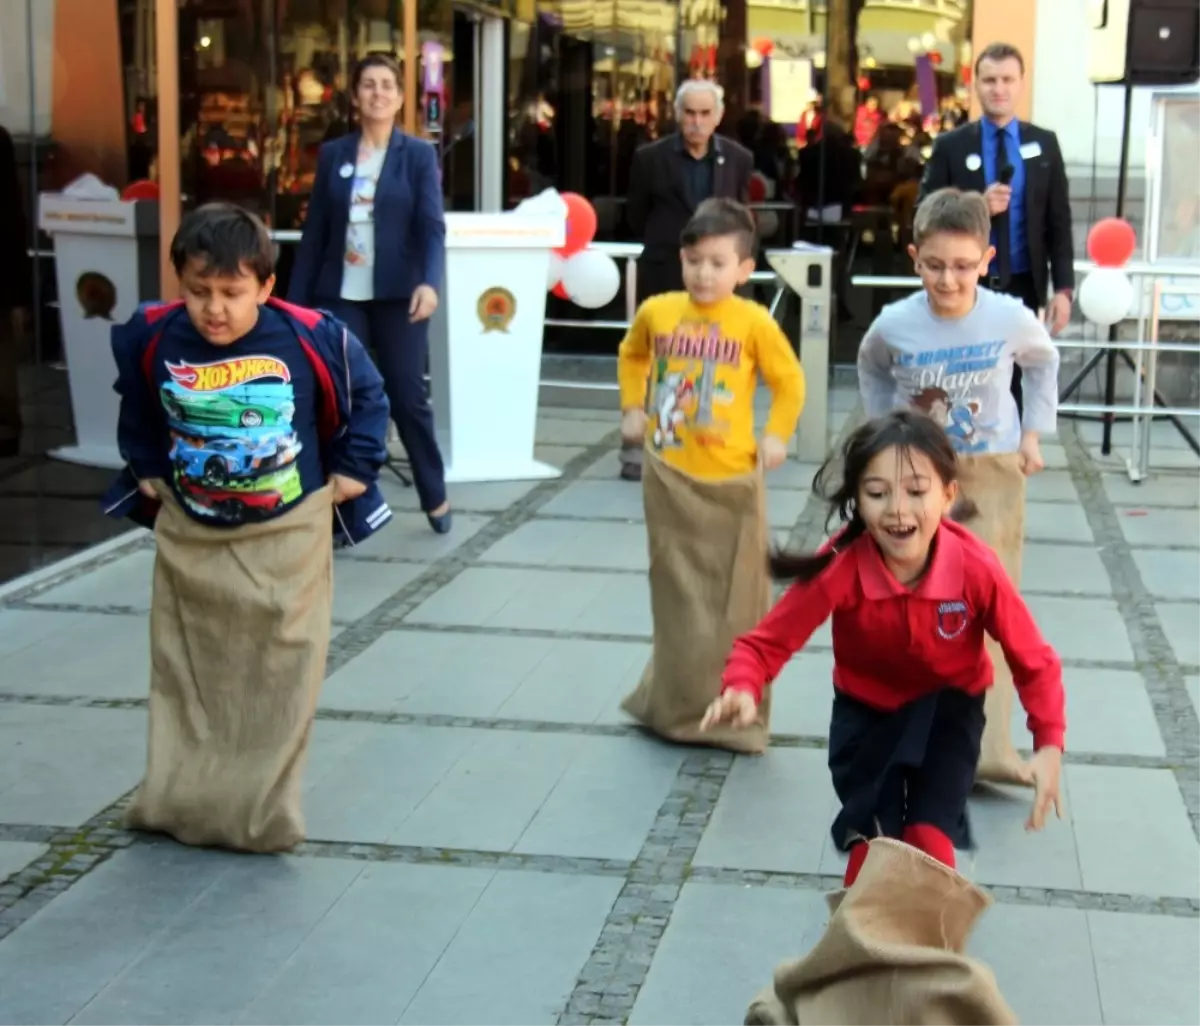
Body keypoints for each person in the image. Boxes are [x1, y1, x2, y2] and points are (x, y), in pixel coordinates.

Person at [101, 202, 392, 853]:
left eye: (232, 293)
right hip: (192, 538)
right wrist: (144, 463)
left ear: (266, 285)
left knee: (280, 672)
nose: (214, 309)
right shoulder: (152, 336)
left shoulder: (314, 337)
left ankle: (260, 812)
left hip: (287, 535)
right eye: (198, 291)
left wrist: (356, 467)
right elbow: (138, 401)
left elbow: (371, 396)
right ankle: (182, 799)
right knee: (192, 670)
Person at [701, 410, 1066, 890]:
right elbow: (766, 643)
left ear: (947, 494)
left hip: (949, 713)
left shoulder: (976, 568)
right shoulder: (842, 566)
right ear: (857, 499)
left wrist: (1048, 744)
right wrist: (742, 686)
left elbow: (1033, 659)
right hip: (866, 715)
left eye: (917, 491)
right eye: (877, 494)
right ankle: (857, 943)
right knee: (875, 841)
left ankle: (934, 942)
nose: (897, 510)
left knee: (928, 837)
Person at [857, 187, 1059, 785]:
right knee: (912, 612)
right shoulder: (895, 322)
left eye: (964, 267)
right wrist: (880, 431)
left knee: (987, 611)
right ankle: (910, 745)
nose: (949, 280)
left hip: (990, 473)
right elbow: (870, 366)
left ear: (987, 260)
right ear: (915, 256)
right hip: (917, 475)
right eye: (936, 265)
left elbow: (1042, 361)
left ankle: (985, 750)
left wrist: (1031, 435)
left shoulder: (1008, 317)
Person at [616, 198, 805, 754]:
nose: (704, 273)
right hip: (669, 473)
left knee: (738, 601)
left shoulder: (753, 322)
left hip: (733, 482)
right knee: (676, 596)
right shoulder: (658, 311)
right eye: (695, 260)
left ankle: (735, 712)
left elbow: (789, 381)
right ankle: (672, 706)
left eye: (718, 263)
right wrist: (633, 405)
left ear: (745, 270)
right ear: (681, 259)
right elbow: (632, 355)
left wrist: (777, 435)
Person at [288, 51, 451, 533]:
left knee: (405, 394)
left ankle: (434, 493)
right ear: (355, 96)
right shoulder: (333, 154)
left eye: (386, 85)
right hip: (340, 295)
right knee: (342, 400)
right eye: (368, 85)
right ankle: (347, 506)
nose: (377, 93)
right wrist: (293, 306)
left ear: (400, 98)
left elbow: (431, 228)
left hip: (399, 294)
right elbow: (315, 232)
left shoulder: (418, 155)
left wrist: (430, 282)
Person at [918, 41, 1074, 415]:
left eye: (1007, 79)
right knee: (961, 378)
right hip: (964, 283)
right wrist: (975, 205)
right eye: (990, 80)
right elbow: (922, 215)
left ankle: (1009, 458)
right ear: (976, 84)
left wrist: (1064, 288)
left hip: (1022, 283)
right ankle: (956, 456)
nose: (998, 89)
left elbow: (1059, 221)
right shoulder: (951, 146)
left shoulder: (1044, 144)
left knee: (1015, 378)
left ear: (1021, 83)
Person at [620, 79, 754, 482]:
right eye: (689, 113)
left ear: (717, 116)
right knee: (657, 357)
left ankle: (698, 443)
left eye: (704, 114)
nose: (696, 122)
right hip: (665, 271)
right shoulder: (649, 159)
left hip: (717, 277)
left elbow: (740, 216)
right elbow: (635, 215)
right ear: (678, 115)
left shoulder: (738, 159)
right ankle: (637, 446)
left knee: (712, 359)